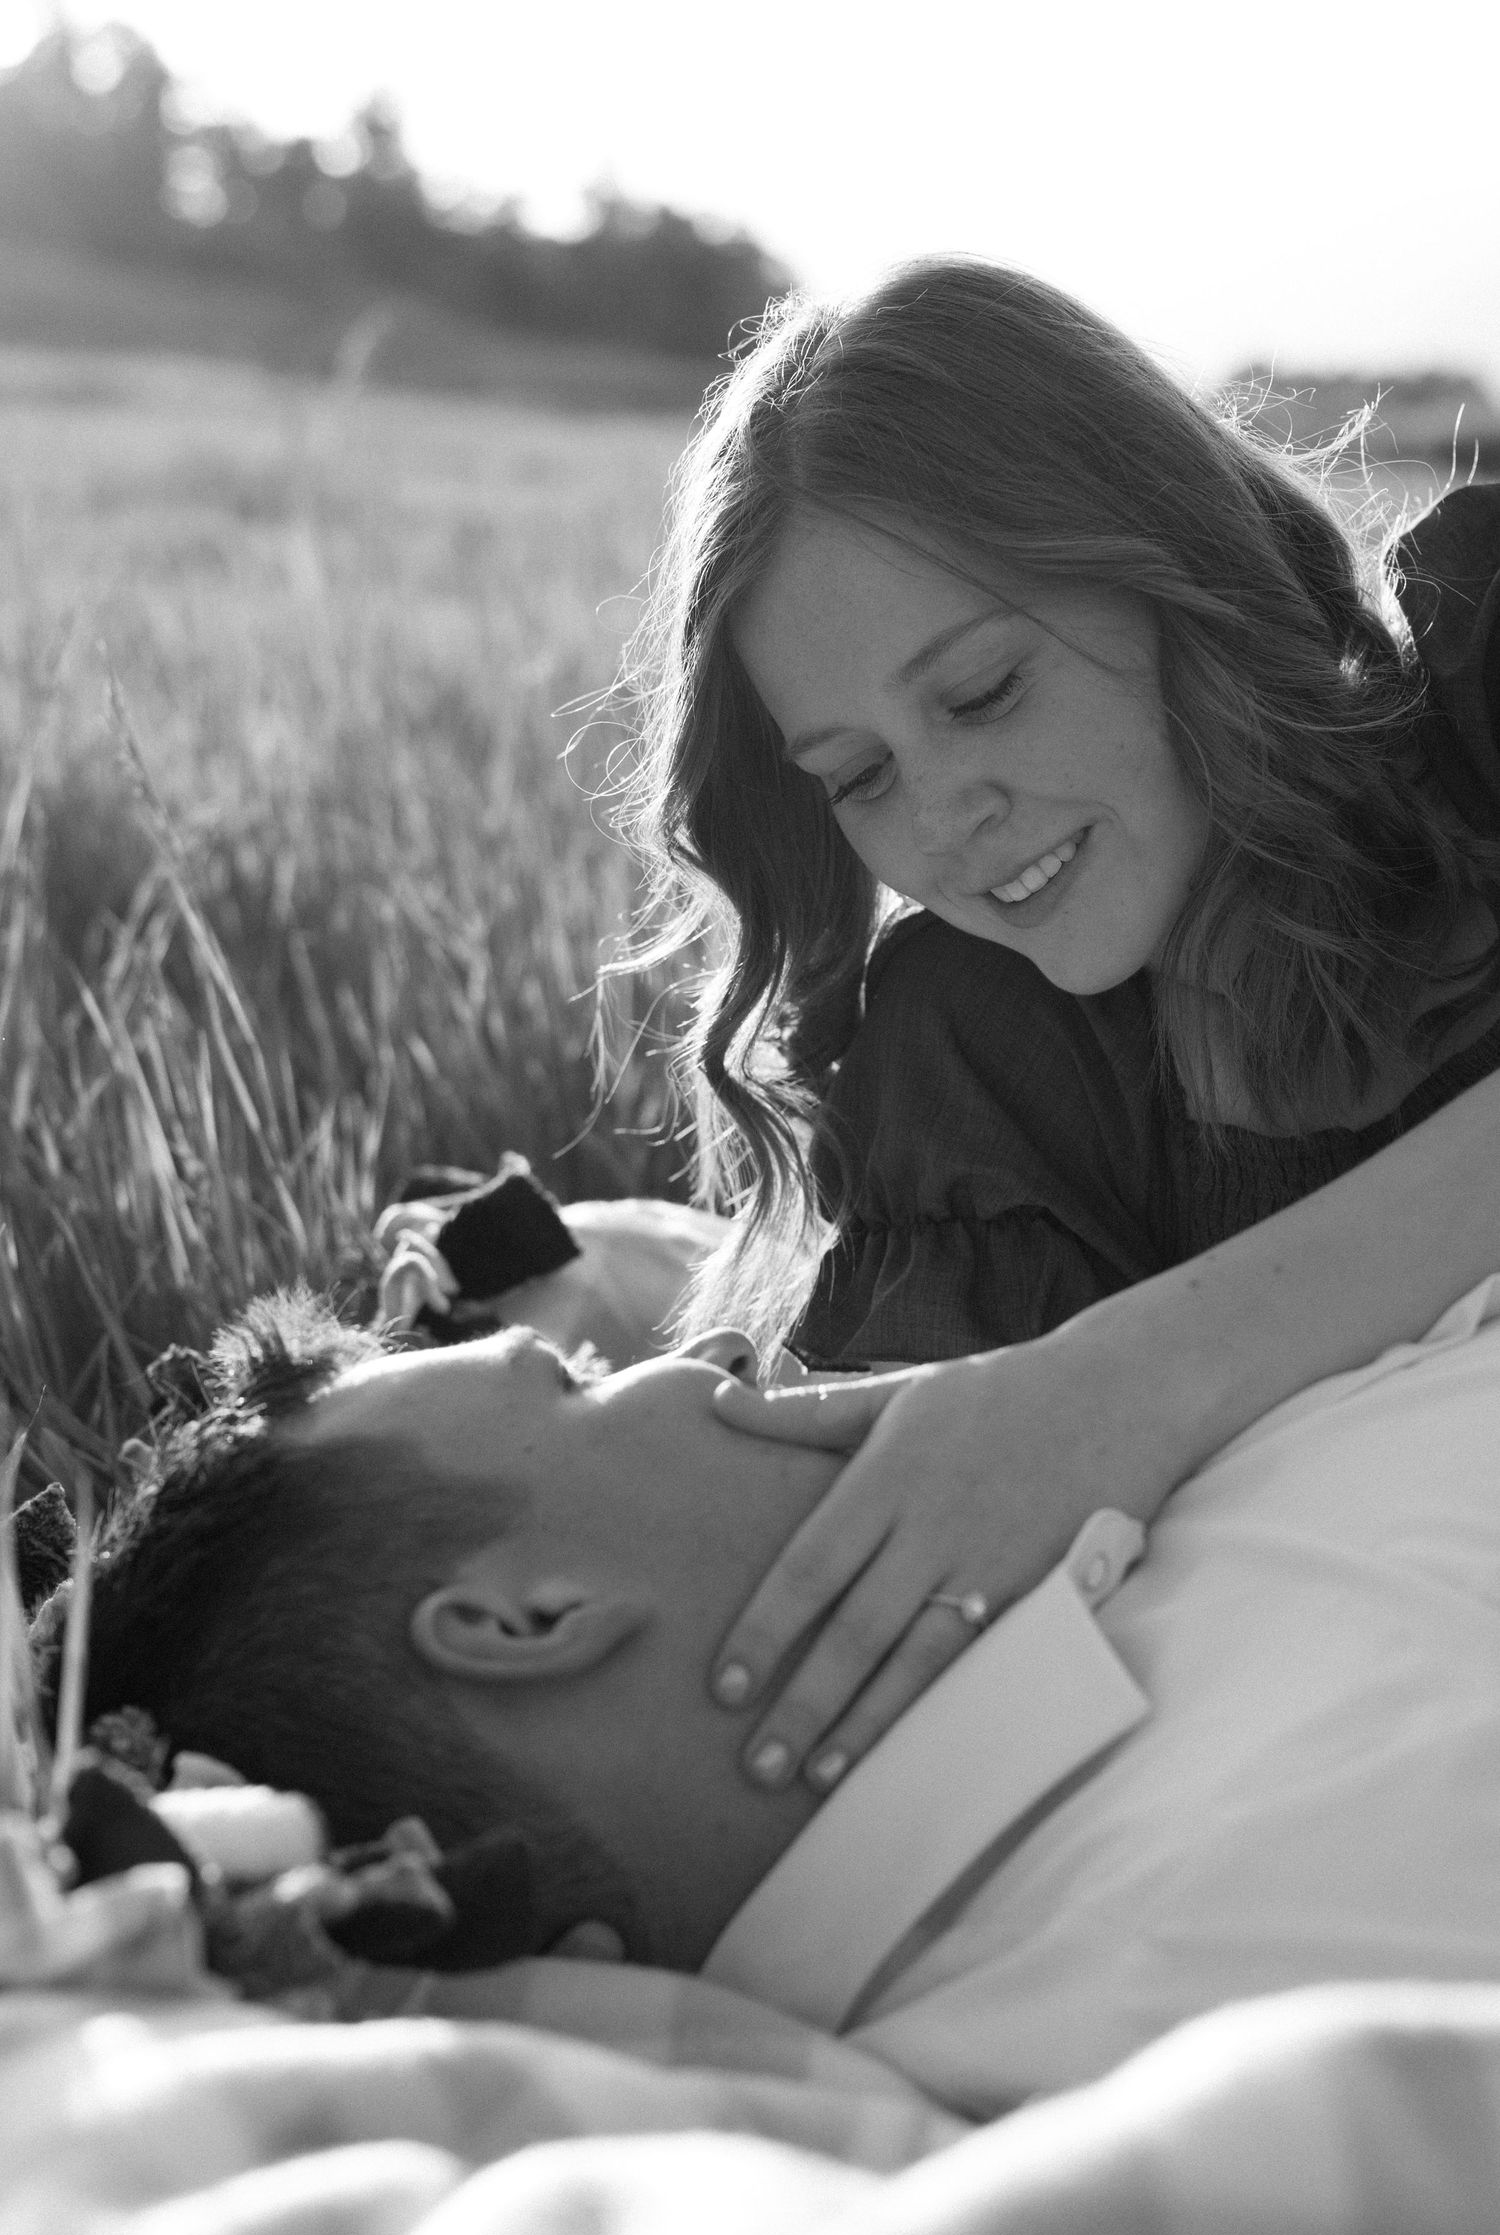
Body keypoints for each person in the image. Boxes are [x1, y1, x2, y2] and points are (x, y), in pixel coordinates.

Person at [606, 255, 1500, 1795]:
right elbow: (865, 1606)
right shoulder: (980, 1047)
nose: (944, 820)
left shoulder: (1485, 676)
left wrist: (1131, 1377)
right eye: (859, 773)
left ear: (1164, 563)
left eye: (982, 690)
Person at [47, 1281, 1500, 2116]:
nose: (723, 1349)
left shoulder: (1095, 1454)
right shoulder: (1211, 2018)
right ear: (528, 1619)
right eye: (584, 1371)